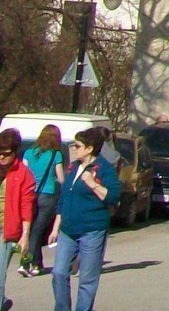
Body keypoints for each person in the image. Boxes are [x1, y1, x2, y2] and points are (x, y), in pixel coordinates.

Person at [47, 126, 120, 311]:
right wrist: (56, 227)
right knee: (58, 272)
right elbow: (64, 198)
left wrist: (92, 184)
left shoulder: (104, 169)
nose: (74, 149)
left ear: (89, 148)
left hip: (92, 230)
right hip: (68, 230)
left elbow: (113, 197)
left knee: (87, 279)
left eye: (78, 146)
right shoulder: (73, 168)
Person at [20, 126, 62, 276]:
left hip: (30, 194)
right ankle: (26, 263)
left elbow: (23, 175)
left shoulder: (28, 153)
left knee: (32, 231)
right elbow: (61, 178)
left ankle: (37, 263)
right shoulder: (56, 154)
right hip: (48, 195)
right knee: (37, 232)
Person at [2, 126, 34, 298]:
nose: (1, 157)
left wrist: (25, 234)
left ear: (15, 152)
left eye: (6, 153)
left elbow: (26, 206)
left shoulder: (23, 174)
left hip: (4, 231)